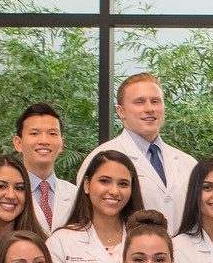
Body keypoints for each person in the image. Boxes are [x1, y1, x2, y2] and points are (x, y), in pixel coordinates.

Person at [77, 73, 194, 221]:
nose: (149, 108)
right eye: (139, 102)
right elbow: (84, 216)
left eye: (155, 101)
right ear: (121, 111)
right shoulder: (100, 158)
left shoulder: (187, 163)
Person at [48, 150, 143, 263]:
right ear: (86, 184)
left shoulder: (144, 239)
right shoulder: (61, 242)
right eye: (105, 181)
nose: (114, 191)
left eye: (123, 184)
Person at [13, 103, 77, 233]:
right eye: (34, 133)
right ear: (18, 143)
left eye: (52, 134)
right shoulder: (8, 194)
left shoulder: (75, 194)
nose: (44, 141)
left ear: (61, 144)